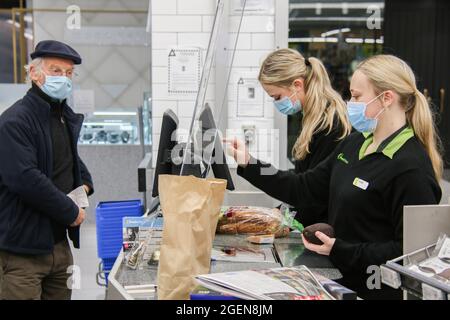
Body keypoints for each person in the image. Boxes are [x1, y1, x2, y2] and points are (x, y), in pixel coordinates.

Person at [226, 54, 443, 299]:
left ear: (387, 98)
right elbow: (304, 188)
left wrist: (341, 249)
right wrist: (249, 163)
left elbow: (412, 253)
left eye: (357, 96)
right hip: (340, 281)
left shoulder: (410, 167)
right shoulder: (354, 145)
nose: (350, 103)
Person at [0, 40, 94, 300]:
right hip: (22, 252)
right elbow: (25, 178)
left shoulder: (61, 116)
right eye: (55, 71)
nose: (63, 79)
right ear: (34, 73)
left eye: (68, 73)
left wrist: (85, 183)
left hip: (58, 246)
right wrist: (71, 211)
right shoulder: (14, 122)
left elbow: (69, 158)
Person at [257, 48, 352, 226]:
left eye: (277, 96)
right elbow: (304, 176)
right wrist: (278, 212)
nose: (277, 103)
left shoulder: (330, 125)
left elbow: (312, 194)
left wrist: (281, 218)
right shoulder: (314, 118)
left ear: (297, 85)